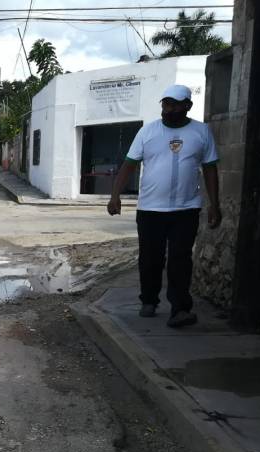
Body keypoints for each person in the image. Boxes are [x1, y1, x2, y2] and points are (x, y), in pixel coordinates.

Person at [107, 84, 221, 328]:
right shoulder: (147, 132)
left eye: (174, 104)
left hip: (186, 208)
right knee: (150, 258)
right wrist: (114, 195)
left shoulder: (201, 132)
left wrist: (214, 204)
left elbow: (211, 169)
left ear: (187, 106)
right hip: (150, 208)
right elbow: (128, 165)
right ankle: (149, 300)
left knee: (180, 258)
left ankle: (180, 309)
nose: (168, 109)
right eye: (165, 104)